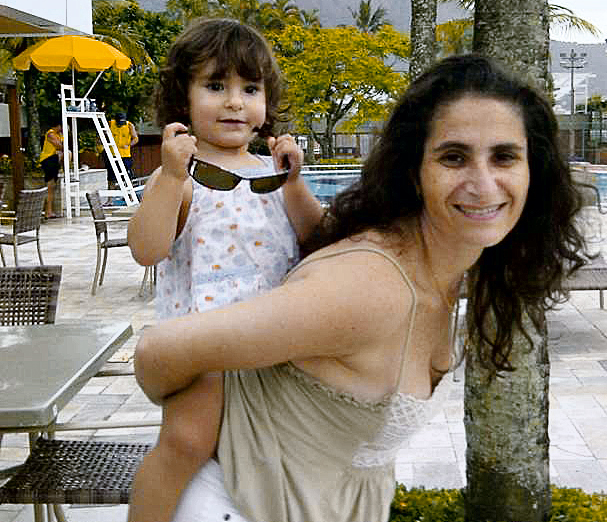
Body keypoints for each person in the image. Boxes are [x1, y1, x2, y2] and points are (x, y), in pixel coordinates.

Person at [133, 53, 587, 522]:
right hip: (235, 503)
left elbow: (311, 233)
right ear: (415, 169)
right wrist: (207, 399)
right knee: (183, 441)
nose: (483, 182)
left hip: (312, 502)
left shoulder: (441, 268)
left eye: (504, 156)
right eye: (454, 157)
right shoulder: (370, 288)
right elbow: (155, 351)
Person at [127, 18, 324, 522]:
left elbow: (317, 239)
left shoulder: (271, 173)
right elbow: (147, 250)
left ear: (266, 103)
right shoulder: (182, 176)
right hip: (203, 345)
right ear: (184, 100)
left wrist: (294, 181)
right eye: (216, 86)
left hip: (273, 342)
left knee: (277, 447)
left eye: (249, 88)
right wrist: (170, 177)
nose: (235, 101)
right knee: (187, 442)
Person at [38, 121, 65, 219]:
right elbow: (60, 146)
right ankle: (47, 211)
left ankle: (49, 211)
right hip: (48, 159)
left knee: (52, 186)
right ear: (58, 126)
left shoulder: (59, 134)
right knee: (50, 186)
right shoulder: (50, 134)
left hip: (54, 159)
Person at [109, 111, 138, 181]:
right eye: (119, 123)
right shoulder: (110, 123)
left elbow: (135, 139)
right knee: (112, 176)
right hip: (112, 154)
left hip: (125, 155)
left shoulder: (129, 125)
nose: (121, 125)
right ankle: (113, 188)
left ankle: (128, 187)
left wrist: (129, 145)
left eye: (122, 123)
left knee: (126, 174)